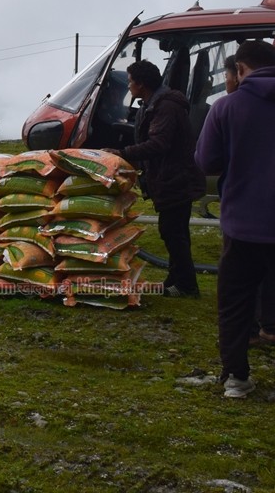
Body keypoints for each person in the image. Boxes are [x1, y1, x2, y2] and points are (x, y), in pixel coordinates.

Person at [195, 40, 275, 398]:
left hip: (245, 225)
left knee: (235, 304)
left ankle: (236, 379)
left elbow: (207, 162)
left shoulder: (226, 107)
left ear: (240, 70)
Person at [111, 60, 204, 298]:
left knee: (173, 231)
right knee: (174, 231)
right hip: (169, 178)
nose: (129, 85)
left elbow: (159, 144)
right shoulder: (153, 104)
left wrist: (123, 155)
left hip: (176, 179)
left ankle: (187, 286)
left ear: (141, 84)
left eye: (131, 81)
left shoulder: (166, 107)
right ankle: (176, 280)